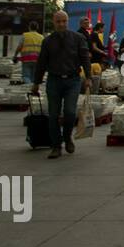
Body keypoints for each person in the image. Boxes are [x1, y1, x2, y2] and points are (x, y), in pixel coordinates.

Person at [30, 10, 92, 159]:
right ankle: (56, 146)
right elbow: (41, 63)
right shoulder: (48, 41)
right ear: (54, 22)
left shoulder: (78, 38)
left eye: (64, 21)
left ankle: (67, 137)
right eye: (58, 21)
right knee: (53, 115)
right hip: (54, 81)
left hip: (73, 81)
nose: (61, 24)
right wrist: (36, 83)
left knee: (70, 112)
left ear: (68, 21)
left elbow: (85, 58)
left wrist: (89, 77)